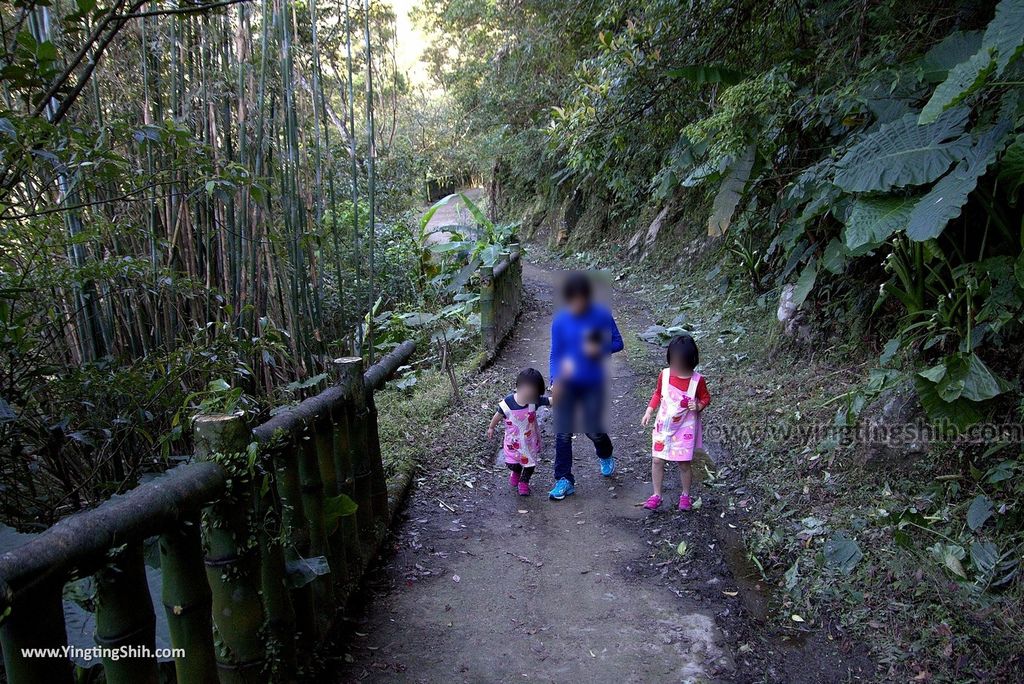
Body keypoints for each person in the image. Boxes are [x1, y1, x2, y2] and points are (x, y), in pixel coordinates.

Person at [547, 272, 624, 500]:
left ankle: (605, 452)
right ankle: (564, 480)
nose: (576, 305)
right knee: (563, 431)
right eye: (572, 301)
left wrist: (599, 350)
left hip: (593, 381)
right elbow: (555, 354)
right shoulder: (560, 320)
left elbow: (618, 343)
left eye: (581, 300)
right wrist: (554, 380)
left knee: (593, 429)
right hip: (567, 381)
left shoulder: (601, 315)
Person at [641, 335, 710, 511]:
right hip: (663, 427)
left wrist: (699, 405)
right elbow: (658, 394)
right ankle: (656, 494)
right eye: (674, 362)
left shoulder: (697, 380)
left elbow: (705, 398)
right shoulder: (664, 375)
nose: (677, 367)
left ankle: (685, 495)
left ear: (691, 361)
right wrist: (649, 410)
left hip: (684, 429)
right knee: (657, 460)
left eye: (681, 363)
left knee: (683, 463)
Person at [487, 368, 550, 496]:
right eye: (526, 390)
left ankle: (524, 482)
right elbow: (498, 415)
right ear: (518, 386)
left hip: (529, 442)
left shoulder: (534, 402)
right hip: (513, 442)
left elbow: (549, 401)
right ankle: (515, 471)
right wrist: (491, 427)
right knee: (512, 463)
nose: (529, 395)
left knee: (529, 464)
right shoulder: (507, 404)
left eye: (533, 393)